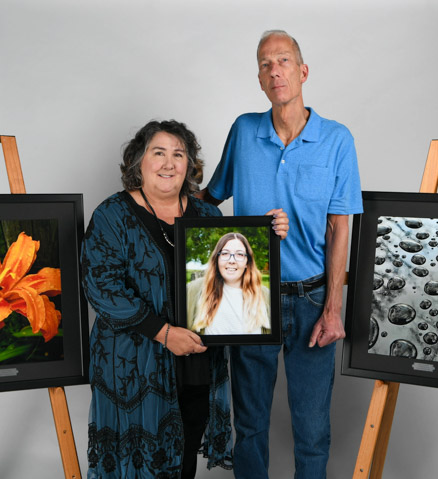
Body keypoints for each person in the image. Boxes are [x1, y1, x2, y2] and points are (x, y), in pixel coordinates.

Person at [198, 30, 363, 478]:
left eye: (284, 61)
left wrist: (333, 309)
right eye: (266, 64)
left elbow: (339, 229)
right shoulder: (244, 131)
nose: (276, 70)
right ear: (259, 79)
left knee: (312, 430)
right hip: (250, 298)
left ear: (303, 71)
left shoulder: (336, 140)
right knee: (249, 426)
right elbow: (206, 203)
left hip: (312, 301)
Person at [81, 120, 232, 478]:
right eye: (159, 152)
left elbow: (230, 279)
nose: (169, 163)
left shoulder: (208, 216)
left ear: (189, 165)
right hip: (132, 367)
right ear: (139, 162)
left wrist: (269, 237)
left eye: (179, 154)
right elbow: (103, 288)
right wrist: (164, 333)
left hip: (196, 363)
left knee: (183, 462)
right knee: (134, 463)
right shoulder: (112, 215)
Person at [188, 232, 270, 335]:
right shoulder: (194, 290)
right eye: (225, 253)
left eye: (239, 254)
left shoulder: (265, 295)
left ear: (247, 262)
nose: (232, 260)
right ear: (217, 259)